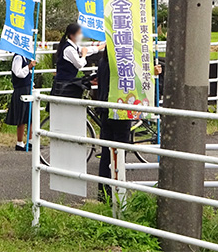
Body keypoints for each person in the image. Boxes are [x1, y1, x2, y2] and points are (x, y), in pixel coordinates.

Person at [96, 48, 162, 200]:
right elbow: (135, 81)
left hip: (106, 110)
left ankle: (103, 192)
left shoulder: (103, 61)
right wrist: (152, 73)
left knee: (107, 151)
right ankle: (116, 192)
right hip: (120, 112)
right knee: (120, 152)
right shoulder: (120, 65)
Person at [52, 23, 105, 98]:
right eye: (79, 33)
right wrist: (83, 55)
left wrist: (103, 46)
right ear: (72, 35)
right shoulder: (69, 49)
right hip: (63, 83)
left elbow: (87, 50)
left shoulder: (74, 46)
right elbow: (79, 64)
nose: (81, 36)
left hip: (67, 81)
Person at [5, 53, 37, 151]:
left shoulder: (24, 57)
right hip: (21, 89)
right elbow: (18, 73)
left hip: (27, 88)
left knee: (30, 116)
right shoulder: (18, 58)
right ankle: (20, 142)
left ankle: (31, 140)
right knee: (22, 117)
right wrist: (29, 66)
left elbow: (27, 75)